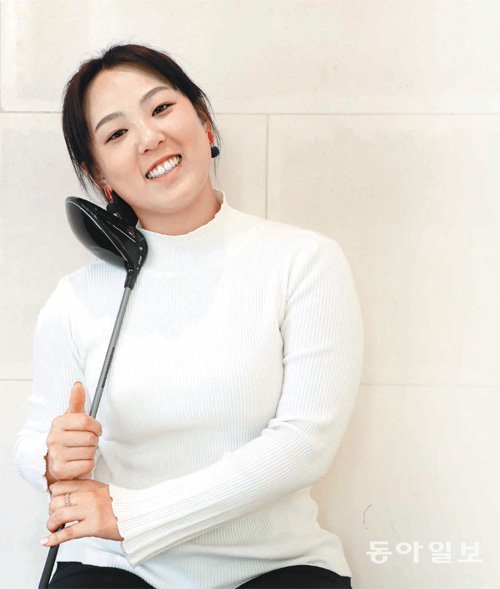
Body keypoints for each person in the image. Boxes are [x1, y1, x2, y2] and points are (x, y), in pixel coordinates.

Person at [13, 43, 363, 589]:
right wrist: (52, 461)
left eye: (161, 108)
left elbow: (305, 445)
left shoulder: (304, 262)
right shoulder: (77, 297)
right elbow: (35, 439)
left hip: (275, 566)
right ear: (100, 175)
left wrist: (134, 516)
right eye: (116, 133)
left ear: (204, 121)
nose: (149, 137)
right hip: (116, 567)